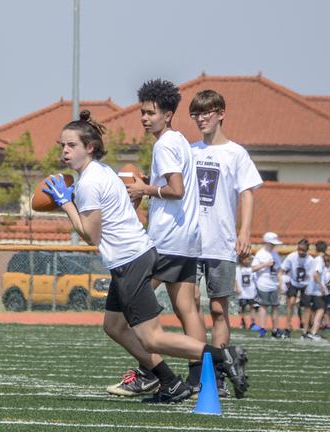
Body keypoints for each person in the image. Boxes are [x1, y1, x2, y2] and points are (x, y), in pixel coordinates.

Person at [45, 111, 249, 403]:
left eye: (71, 145)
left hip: (130, 261)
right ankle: (171, 382)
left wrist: (65, 205)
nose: (64, 151)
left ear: (89, 147)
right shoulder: (101, 172)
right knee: (114, 326)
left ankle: (224, 355)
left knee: (152, 337)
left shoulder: (89, 182)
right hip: (133, 257)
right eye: (61, 145)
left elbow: (91, 235)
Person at [107, 79, 207, 398]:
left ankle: (151, 371)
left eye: (151, 113)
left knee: (124, 313)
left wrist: (144, 189)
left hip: (165, 239)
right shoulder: (179, 141)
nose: (145, 118)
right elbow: (176, 185)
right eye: (142, 112)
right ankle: (201, 376)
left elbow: (176, 191)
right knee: (186, 309)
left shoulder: (165, 144)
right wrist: (152, 183)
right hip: (187, 237)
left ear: (168, 114)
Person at [188, 90, 262, 357]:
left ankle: (220, 368)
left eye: (206, 112)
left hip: (221, 242)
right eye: (195, 113)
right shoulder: (190, 151)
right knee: (191, 303)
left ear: (221, 114)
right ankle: (198, 368)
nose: (200, 118)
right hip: (191, 242)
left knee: (218, 309)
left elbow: (248, 192)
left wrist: (244, 231)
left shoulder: (236, 153)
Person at [252, 232, 284, 337]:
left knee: (275, 307)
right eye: (272, 243)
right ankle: (262, 329)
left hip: (273, 284)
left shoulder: (275, 254)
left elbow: (279, 270)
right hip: (263, 284)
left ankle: (275, 329)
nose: (274, 245)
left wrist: (281, 284)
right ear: (267, 242)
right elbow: (253, 268)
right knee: (263, 307)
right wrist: (265, 264)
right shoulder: (260, 253)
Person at [281, 239, 314, 337]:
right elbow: (282, 270)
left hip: (306, 284)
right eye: (299, 249)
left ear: (307, 250)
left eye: (303, 250)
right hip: (293, 283)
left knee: (307, 307)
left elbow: (313, 275)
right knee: (291, 302)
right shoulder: (291, 256)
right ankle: (287, 327)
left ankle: (305, 330)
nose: (300, 252)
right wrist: (281, 283)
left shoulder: (311, 260)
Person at [302, 241, 328, 340]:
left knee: (312, 310)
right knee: (321, 310)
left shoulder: (314, 259)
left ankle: (306, 333)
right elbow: (315, 274)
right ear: (325, 250)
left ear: (316, 249)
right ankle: (313, 332)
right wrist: (321, 286)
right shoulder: (319, 260)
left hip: (309, 289)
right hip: (315, 291)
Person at [235, 254, 259, 331]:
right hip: (242, 293)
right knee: (242, 308)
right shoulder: (238, 269)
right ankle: (242, 321)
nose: (250, 261)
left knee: (253, 308)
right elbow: (235, 280)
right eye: (248, 259)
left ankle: (253, 323)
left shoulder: (251, 269)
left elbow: (254, 279)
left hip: (251, 292)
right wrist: (237, 288)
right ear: (242, 260)